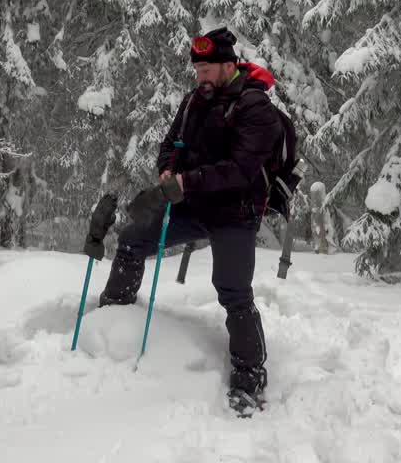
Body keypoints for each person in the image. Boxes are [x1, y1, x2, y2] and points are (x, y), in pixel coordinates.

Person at [97, 26, 283, 416]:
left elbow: (241, 170)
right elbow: (170, 144)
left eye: (206, 69)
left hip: (235, 212)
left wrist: (185, 182)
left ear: (228, 66)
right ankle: (113, 316)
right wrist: (167, 171)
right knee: (133, 240)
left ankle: (250, 374)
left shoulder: (256, 109)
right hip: (193, 203)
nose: (199, 76)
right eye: (197, 69)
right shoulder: (193, 100)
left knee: (232, 291)